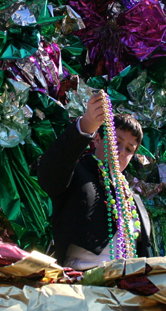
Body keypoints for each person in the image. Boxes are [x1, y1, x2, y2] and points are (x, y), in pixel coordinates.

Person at [38, 91, 152, 270]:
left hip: (127, 289)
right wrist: (88, 124)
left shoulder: (133, 201)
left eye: (129, 149)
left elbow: (145, 253)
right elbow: (50, 174)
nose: (121, 151)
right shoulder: (77, 173)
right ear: (98, 139)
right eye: (116, 141)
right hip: (81, 285)